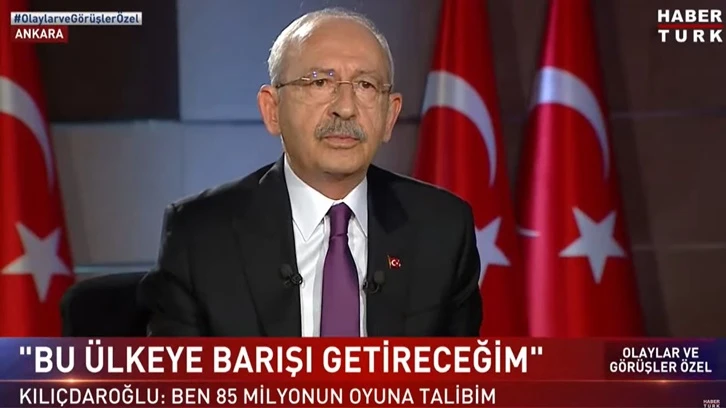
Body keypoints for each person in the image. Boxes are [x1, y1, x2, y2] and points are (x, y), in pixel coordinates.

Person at [137, 7, 482, 337]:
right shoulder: (200, 236)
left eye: (365, 85)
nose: (345, 108)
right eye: (319, 83)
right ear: (272, 110)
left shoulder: (443, 230)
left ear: (390, 116)